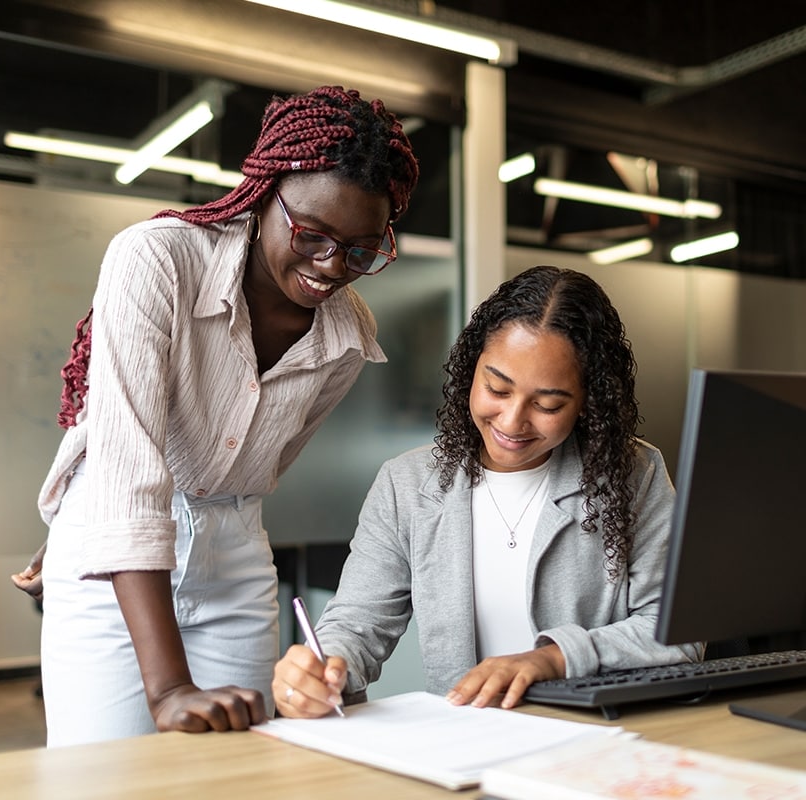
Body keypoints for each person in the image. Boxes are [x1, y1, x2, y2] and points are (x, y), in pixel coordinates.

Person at [13, 85, 419, 746]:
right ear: (263, 192)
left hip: (234, 556)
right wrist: (169, 687)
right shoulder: (157, 259)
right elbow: (127, 461)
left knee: (236, 774)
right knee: (104, 780)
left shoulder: (348, 333)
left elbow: (259, 464)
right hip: (116, 570)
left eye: (361, 250)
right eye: (312, 235)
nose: (330, 266)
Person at [272, 265, 701, 718]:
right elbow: (358, 624)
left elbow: (677, 633)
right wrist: (324, 668)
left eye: (548, 404)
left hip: (591, 738)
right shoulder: (408, 485)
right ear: (471, 369)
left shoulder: (632, 474)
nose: (513, 422)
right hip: (467, 743)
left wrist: (553, 658)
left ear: (588, 401)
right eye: (497, 388)